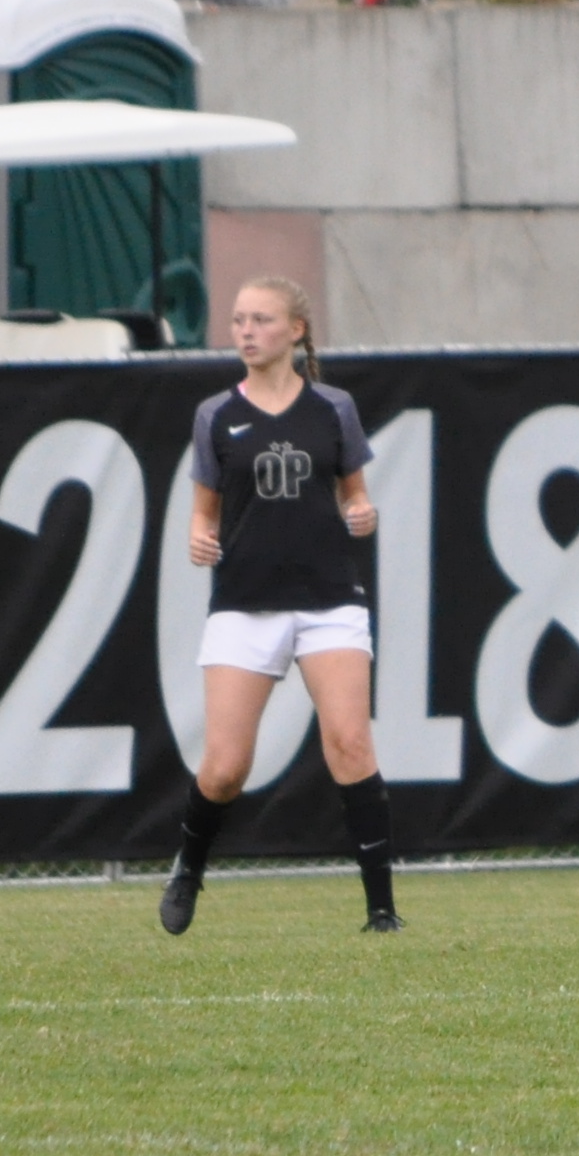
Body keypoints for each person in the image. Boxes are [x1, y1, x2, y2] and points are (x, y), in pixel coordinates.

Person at [161, 276, 401, 936]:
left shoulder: (333, 408)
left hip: (329, 601)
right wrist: (197, 538)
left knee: (351, 744)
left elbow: (355, 495)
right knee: (226, 767)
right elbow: (202, 513)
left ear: (296, 331)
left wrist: (362, 511)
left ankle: (381, 910)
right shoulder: (217, 414)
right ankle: (188, 868)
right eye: (238, 319)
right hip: (245, 604)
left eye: (261, 319)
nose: (245, 330)